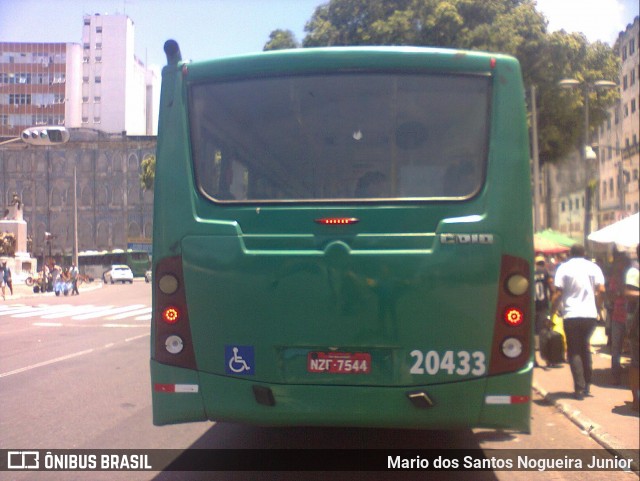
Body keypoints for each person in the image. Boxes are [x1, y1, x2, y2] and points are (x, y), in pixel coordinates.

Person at [550, 244, 605, 400]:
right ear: (584, 253)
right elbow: (601, 290)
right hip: (590, 315)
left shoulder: (563, 268)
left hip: (571, 314)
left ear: (570, 254)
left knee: (574, 351)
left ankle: (579, 388)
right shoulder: (594, 268)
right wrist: (598, 306)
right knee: (585, 348)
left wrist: (551, 313)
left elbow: (558, 294)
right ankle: (587, 384)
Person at [607, 248, 631, 385]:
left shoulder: (633, 276)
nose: (617, 265)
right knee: (616, 347)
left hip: (631, 317)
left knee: (630, 348)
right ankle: (615, 374)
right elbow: (610, 296)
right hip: (618, 316)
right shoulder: (614, 279)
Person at [625, 245, 639, 411]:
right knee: (636, 362)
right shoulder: (634, 271)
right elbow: (628, 293)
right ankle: (636, 400)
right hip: (636, 321)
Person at [534, 255, 554, 365]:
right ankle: (547, 359)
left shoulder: (529, 270)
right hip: (543, 305)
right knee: (543, 332)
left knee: (531, 333)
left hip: (531, 306)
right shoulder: (545, 272)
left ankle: (533, 360)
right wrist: (552, 299)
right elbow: (551, 287)